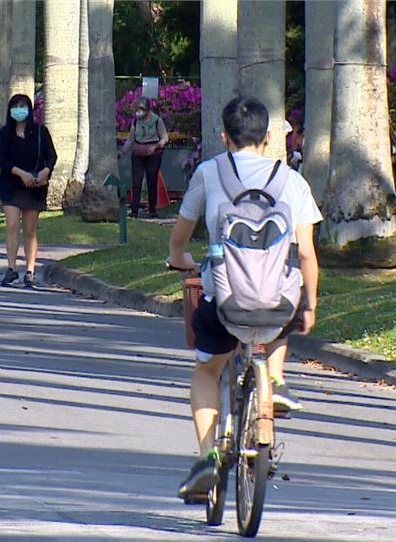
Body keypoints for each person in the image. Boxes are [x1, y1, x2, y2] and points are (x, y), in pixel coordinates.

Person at [167, 95, 322, 498]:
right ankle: (273, 383)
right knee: (275, 330)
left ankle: (207, 458)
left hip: (224, 301)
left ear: (224, 137)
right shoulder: (292, 180)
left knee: (207, 370)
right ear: (269, 137)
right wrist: (310, 305)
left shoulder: (209, 172)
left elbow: (178, 243)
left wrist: (182, 261)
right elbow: (306, 253)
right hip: (277, 305)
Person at [0, 94, 57, 289]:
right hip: (12, 184)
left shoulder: (40, 131)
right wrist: (21, 174)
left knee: (30, 230)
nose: (19, 110)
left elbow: (51, 156)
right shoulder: (5, 133)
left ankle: (30, 271)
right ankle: (11, 268)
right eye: (15, 106)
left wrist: (45, 172)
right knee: (12, 225)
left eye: (23, 106)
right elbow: (3, 160)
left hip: (35, 186)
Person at [119, 97, 168, 218]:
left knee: (152, 181)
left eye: (141, 109)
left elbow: (164, 138)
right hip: (138, 153)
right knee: (136, 182)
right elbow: (130, 139)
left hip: (153, 154)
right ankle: (134, 210)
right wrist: (122, 151)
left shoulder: (157, 121)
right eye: (137, 109)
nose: (138, 112)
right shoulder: (136, 121)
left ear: (147, 110)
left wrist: (157, 146)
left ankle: (152, 209)